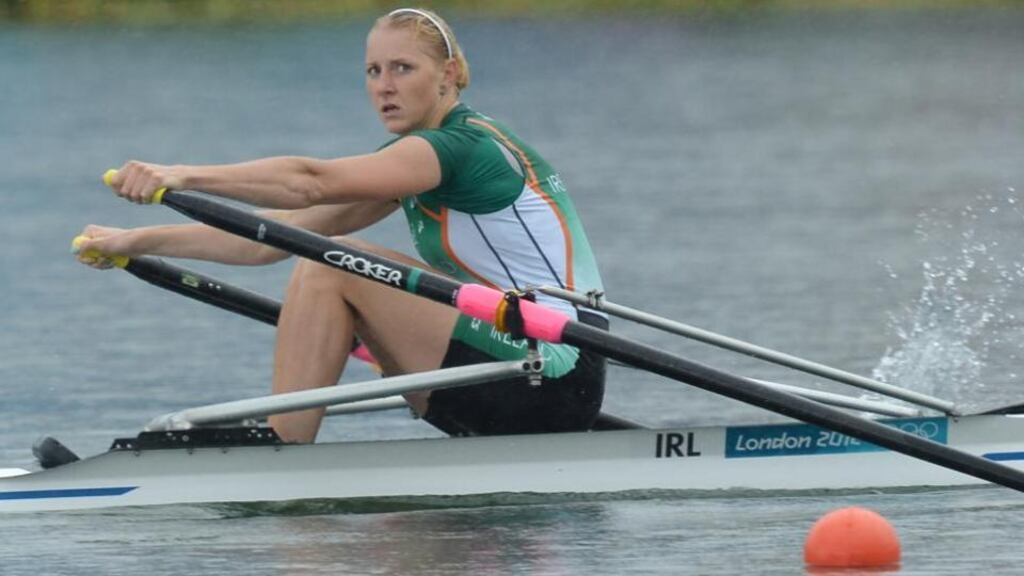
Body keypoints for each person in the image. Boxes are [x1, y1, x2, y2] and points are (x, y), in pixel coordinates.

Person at [76, 7, 608, 443]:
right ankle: (286, 444)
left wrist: (181, 174)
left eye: (403, 68)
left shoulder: (460, 147)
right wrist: (137, 242)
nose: (384, 86)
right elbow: (276, 233)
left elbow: (308, 181)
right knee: (318, 251)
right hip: (518, 365)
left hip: (554, 369)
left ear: (448, 74)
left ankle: (282, 445)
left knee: (331, 267)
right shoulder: (413, 164)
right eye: (373, 71)